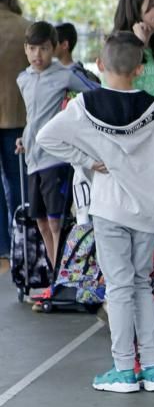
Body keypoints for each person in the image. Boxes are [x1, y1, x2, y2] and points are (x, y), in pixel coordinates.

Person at [37, 31, 154, 392]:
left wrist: (87, 160)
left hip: (108, 210)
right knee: (142, 285)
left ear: (100, 65)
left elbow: (46, 138)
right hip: (149, 212)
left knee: (118, 288)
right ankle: (152, 369)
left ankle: (124, 369)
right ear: (139, 69)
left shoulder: (83, 107)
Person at [16, 22, 95, 270]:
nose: (38, 55)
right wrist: (24, 137)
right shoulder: (23, 79)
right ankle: (55, 275)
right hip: (32, 159)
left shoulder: (65, 75)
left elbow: (95, 92)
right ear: (26, 50)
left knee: (56, 222)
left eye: (44, 48)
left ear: (54, 49)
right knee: (40, 221)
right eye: (32, 48)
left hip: (56, 157)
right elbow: (33, 116)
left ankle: (66, 275)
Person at [0, 0, 30, 259]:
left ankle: (2, 245)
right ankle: (24, 240)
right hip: (18, 116)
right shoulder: (25, 28)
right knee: (19, 182)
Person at [113, 0, 154, 98]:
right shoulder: (116, 47)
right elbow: (120, 86)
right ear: (135, 10)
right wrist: (139, 43)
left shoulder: (152, 48)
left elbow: (152, 91)